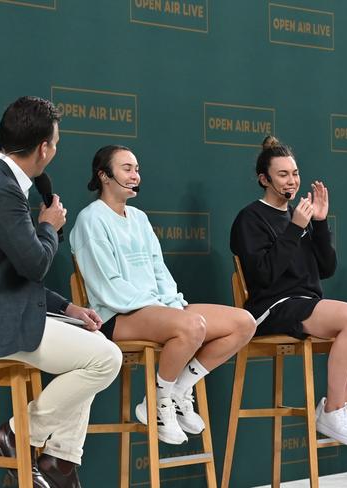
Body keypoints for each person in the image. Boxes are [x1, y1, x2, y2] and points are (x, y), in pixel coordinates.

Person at [0, 96, 123, 488]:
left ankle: (59, 461)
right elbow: (34, 264)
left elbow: (11, 273)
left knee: (90, 342)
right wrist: (47, 225)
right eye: (56, 143)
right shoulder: (0, 189)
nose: (55, 151)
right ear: (44, 148)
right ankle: (17, 434)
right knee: (106, 359)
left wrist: (69, 308)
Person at [69, 145, 256, 445]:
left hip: (156, 309)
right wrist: (161, 310)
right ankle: (158, 404)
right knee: (192, 325)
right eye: (126, 168)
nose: (135, 175)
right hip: (116, 315)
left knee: (244, 323)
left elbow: (160, 271)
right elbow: (108, 285)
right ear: (104, 176)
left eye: (137, 169)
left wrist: (171, 305)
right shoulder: (91, 220)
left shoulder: (140, 219)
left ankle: (178, 389)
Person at [230, 136, 347, 448]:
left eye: (295, 173)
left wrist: (320, 224)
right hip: (272, 308)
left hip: (307, 303)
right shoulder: (250, 218)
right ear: (263, 179)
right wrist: (295, 228)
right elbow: (265, 275)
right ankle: (335, 409)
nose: (292, 181)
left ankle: (334, 404)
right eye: (282, 174)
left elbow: (326, 269)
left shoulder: (301, 214)